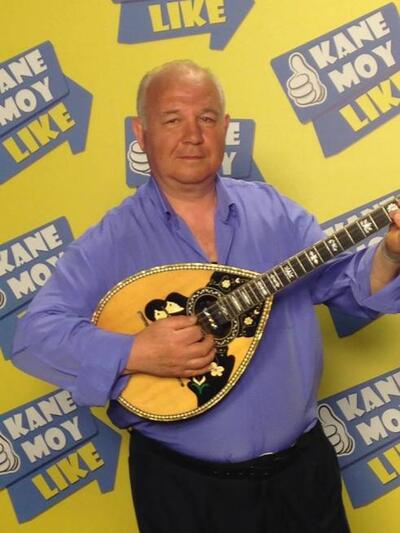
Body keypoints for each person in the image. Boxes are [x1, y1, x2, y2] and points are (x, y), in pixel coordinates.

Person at [12, 60, 400, 533]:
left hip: (303, 478)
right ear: (141, 133)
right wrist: (135, 351)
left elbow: (348, 287)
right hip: (183, 491)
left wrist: (390, 254)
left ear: (226, 128)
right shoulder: (112, 240)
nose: (193, 135)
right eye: (173, 119)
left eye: (207, 118)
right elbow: (34, 338)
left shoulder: (274, 211)